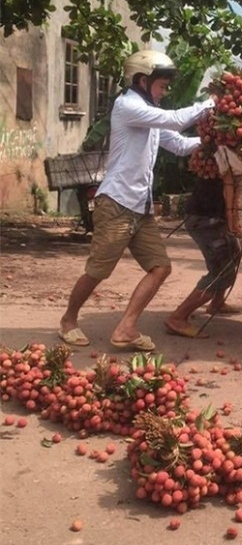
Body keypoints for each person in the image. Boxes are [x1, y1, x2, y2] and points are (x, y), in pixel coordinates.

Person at [58, 49, 214, 352]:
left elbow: (180, 145)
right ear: (143, 80)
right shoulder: (128, 105)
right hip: (116, 204)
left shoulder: (149, 115)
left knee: (160, 267)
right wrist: (212, 103)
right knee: (98, 271)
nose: (165, 92)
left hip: (140, 209)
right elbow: (177, 120)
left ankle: (126, 327)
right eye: (162, 86)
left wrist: (213, 139)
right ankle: (68, 320)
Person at [164, 176, 242, 337]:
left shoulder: (222, 155)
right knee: (222, 273)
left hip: (212, 216)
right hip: (205, 220)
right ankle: (177, 318)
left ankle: (217, 303)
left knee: (233, 253)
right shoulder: (225, 155)